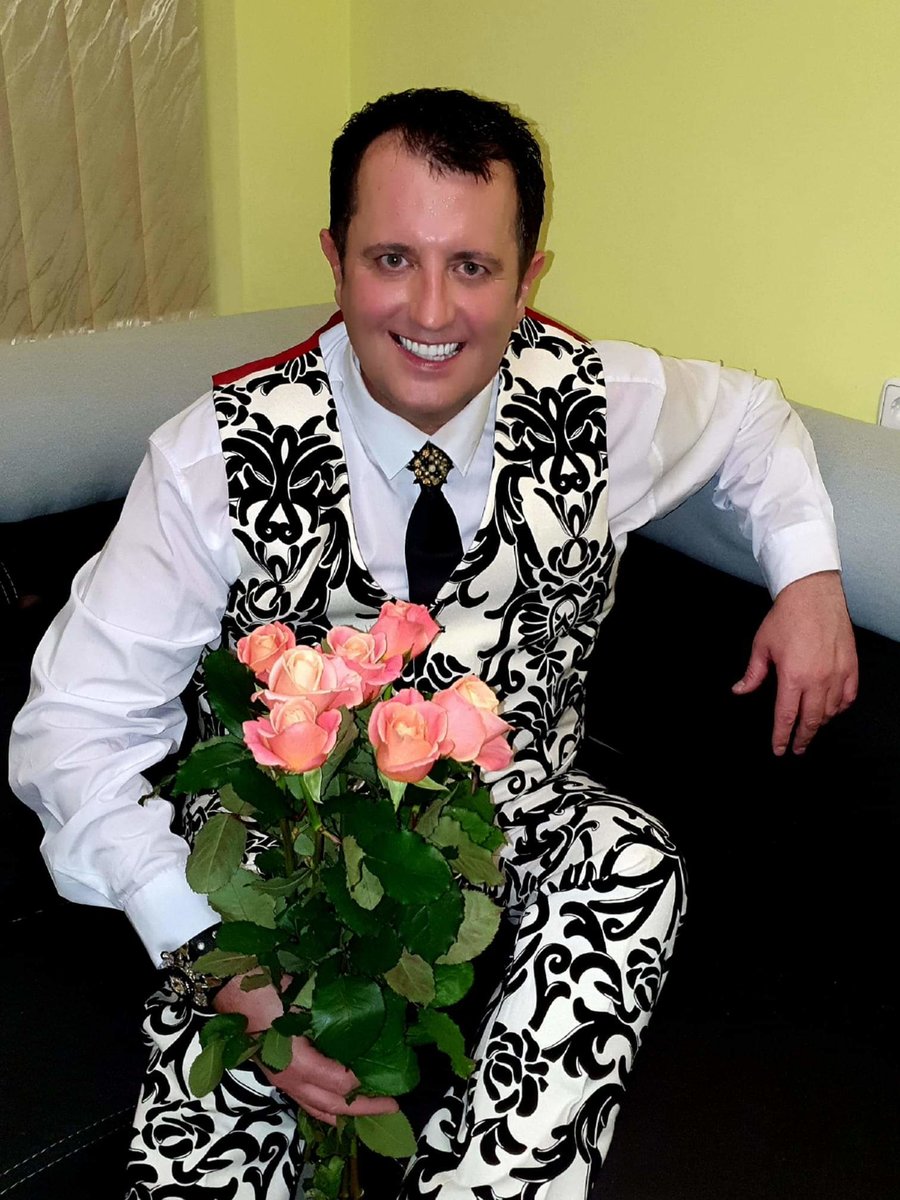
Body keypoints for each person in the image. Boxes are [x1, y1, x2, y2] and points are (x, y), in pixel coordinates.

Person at [9, 88, 857, 1199]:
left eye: (473, 267)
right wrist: (214, 959)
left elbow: (752, 418)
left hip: (518, 807)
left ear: (528, 277)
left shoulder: (598, 401)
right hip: (288, 842)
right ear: (335, 258)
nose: (431, 309)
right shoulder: (212, 459)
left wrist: (809, 576)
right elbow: (71, 729)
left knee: (632, 857)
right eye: (392, 259)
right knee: (221, 1127)